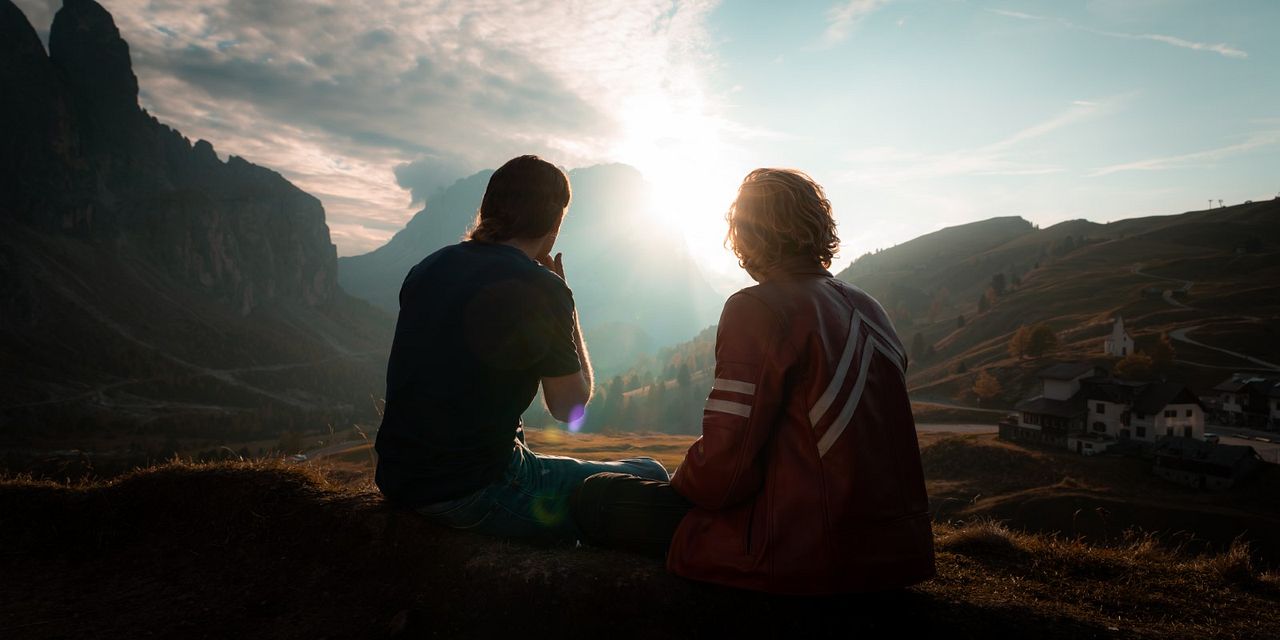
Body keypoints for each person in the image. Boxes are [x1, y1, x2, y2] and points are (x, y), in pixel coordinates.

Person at [571, 168, 936, 594]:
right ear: (820, 226)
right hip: (898, 550)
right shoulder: (871, 308)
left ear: (745, 235)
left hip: (801, 547)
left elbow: (724, 470)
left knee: (596, 497)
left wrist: (678, 487)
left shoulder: (759, 307)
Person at [373, 154, 668, 543]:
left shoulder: (428, 267)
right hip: (474, 491)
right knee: (651, 474)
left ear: (488, 208)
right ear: (554, 222)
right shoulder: (543, 287)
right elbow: (569, 407)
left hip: (397, 480)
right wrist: (568, 304)